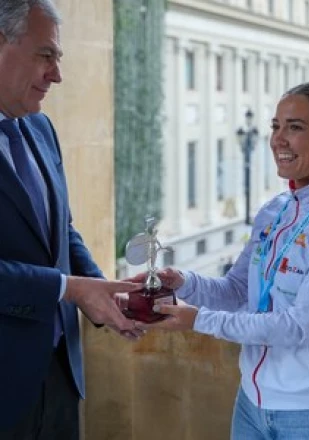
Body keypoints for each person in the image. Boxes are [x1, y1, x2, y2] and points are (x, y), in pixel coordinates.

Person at [132, 82, 309, 439]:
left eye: (295, 127)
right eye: (275, 126)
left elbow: (298, 327)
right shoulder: (275, 211)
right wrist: (181, 282)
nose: (279, 139)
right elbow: (237, 289)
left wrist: (198, 320)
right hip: (252, 405)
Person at [0, 1, 144, 438]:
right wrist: (69, 288)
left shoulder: (41, 128)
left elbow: (60, 232)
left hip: (61, 376)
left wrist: (105, 293)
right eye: (46, 55)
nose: (56, 75)